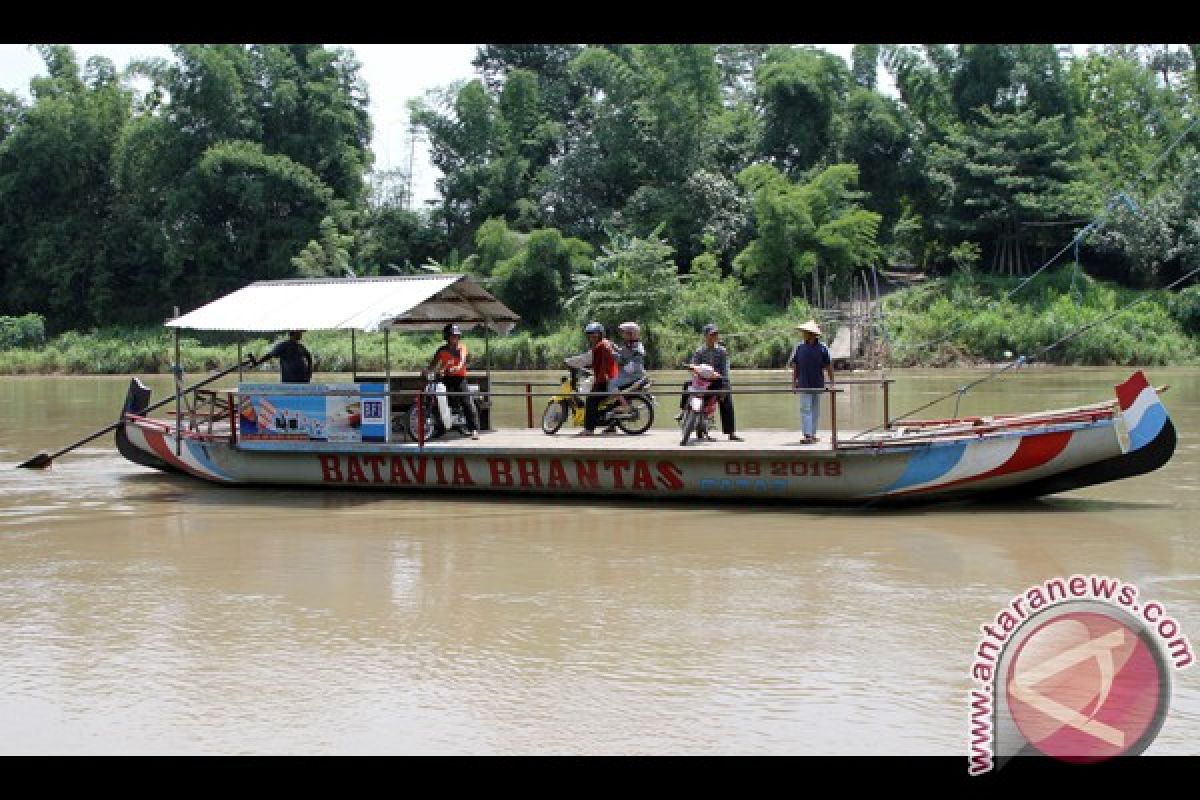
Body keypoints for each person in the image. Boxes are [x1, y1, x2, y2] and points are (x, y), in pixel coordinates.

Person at [677, 323, 742, 442]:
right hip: (702, 380)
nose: (715, 336)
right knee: (687, 384)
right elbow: (694, 366)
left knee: (726, 398)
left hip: (716, 380)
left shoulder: (722, 351)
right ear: (706, 336)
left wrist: (725, 386)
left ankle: (731, 432)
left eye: (716, 334)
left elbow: (725, 370)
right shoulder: (700, 351)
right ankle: (682, 411)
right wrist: (693, 370)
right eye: (712, 334)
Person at [428, 323, 480, 439]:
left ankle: (474, 430)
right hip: (446, 378)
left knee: (466, 402)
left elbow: (462, 360)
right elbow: (433, 364)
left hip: (459, 378)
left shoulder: (461, 348)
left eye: (456, 336)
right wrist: (427, 370)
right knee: (437, 400)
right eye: (452, 336)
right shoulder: (442, 350)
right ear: (447, 337)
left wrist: (458, 367)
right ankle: (440, 428)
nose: (455, 338)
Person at [786, 319, 834, 444]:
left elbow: (829, 366)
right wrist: (794, 382)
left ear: (811, 333)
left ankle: (812, 434)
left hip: (817, 384)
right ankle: (808, 435)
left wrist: (832, 382)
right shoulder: (800, 347)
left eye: (805, 332)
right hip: (804, 383)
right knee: (805, 409)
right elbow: (796, 366)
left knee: (815, 410)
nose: (803, 334)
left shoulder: (822, 348)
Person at [601, 321, 647, 431]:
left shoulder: (634, 346)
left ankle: (625, 406)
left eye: (625, 333)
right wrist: (614, 347)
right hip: (631, 372)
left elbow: (621, 358)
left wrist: (610, 351)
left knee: (611, 385)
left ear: (631, 334)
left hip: (631, 374)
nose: (623, 335)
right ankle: (613, 422)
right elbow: (623, 353)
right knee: (614, 388)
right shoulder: (632, 344)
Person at [576, 321, 618, 437]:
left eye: (594, 334)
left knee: (591, 400)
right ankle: (611, 425)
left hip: (605, 379)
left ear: (600, 334)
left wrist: (599, 380)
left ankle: (589, 429)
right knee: (604, 402)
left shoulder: (601, 346)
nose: (592, 337)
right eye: (590, 335)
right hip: (611, 377)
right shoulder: (605, 343)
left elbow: (604, 363)